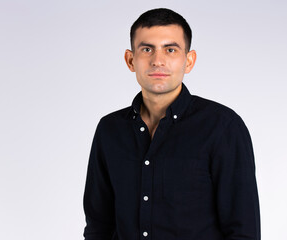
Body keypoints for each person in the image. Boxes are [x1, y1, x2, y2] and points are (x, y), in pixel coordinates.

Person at [83, 8, 260, 240]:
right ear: (130, 60)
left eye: (170, 49)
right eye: (147, 49)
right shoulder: (109, 130)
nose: (158, 60)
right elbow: (98, 226)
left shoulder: (223, 127)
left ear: (189, 61)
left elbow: (243, 231)